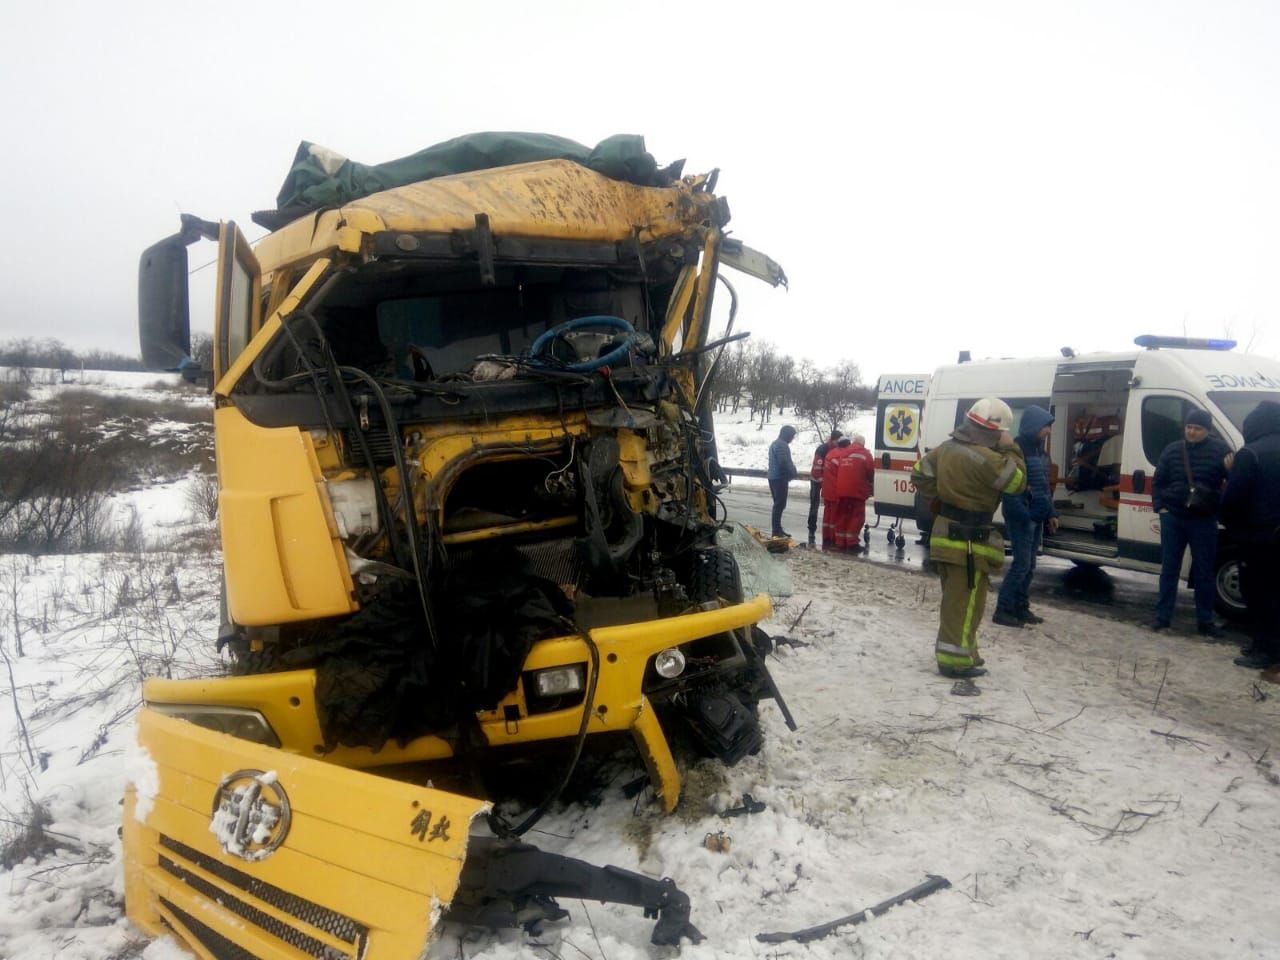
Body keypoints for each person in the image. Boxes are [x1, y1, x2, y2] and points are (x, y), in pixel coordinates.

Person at [911, 398, 1026, 679]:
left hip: (947, 536)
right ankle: (954, 661)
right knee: (964, 604)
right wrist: (1010, 446)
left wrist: (941, 497)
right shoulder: (989, 459)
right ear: (994, 431)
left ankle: (968, 653)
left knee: (962, 602)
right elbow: (1017, 482)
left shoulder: (945, 449)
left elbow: (919, 476)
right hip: (969, 542)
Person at [1150, 408, 1232, 637]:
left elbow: (1233, 484)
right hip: (1173, 517)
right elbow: (1159, 481)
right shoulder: (1173, 449)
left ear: (1207, 430)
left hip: (1203, 519)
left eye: (1197, 428)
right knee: (1169, 570)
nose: (1192, 432)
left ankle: (1205, 622)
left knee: (1204, 572)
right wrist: (1161, 507)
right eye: (1189, 427)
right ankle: (1163, 617)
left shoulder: (1221, 451)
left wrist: (1230, 472)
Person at [1220, 400, 1280, 669]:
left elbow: (1234, 498)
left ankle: (1263, 649)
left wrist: (1228, 521)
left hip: (1258, 538)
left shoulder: (1250, 454)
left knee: (1256, 594)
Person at [994, 406, 1059, 627]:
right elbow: (1010, 489)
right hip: (1022, 517)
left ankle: (1021, 607)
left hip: (1037, 516)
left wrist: (1051, 513)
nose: (1049, 431)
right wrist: (1026, 516)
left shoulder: (1040, 451)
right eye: (1046, 426)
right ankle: (1003, 610)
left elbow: (1043, 486)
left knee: (1030, 566)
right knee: (1021, 565)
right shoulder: (1017, 450)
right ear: (1034, 426)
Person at [834, 432, 875, 551]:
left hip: (841, 491)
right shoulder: (865, 454)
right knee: (856, 517)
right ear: (863, 444)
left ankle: (840, 541)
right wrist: (870, 485)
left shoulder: (844, 453)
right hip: (856, 491)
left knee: (843, 516)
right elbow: (870, 472)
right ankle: (852, 543)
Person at [807, 429, 842, 546]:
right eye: (838, 441)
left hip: (827, 481)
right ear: (833, 440)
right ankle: (811, 529)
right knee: (815, 504)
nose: (839, 443)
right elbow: (817, 469)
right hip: (816, 480)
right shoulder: (822, 449)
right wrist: (824, 482)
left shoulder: (836, 449)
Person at [821, 435, 854, 549]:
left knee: (827, 515)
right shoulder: (842, 456)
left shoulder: (830, 453)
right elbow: (844, 473)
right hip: (835, 490)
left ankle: (826, 536)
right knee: (835, 516)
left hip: (826, 489)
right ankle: (833, 537)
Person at [767, 425, 799, 538]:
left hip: (773, 477)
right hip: (779, 478)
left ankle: (778, 529)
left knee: (778, 504)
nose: (792, 439)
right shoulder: (782, 445)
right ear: (787, 435)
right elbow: (783, 462)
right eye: (792, 436)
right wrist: (793, 472)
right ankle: (776, 530)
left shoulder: (775, 443)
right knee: (779, 504)